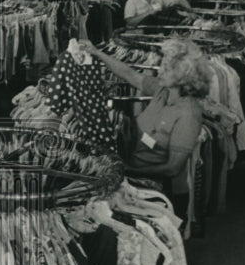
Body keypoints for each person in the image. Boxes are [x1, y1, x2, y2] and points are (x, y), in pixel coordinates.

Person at [86, 38, 212, 219]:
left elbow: (172, 168)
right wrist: (97, 53)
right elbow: (130, 75)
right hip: (135, 180)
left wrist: (126, 170)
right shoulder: (162, 90)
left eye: (166, 69)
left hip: (163, 192)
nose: (160, 71)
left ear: (183, 75)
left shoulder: (188, 114)